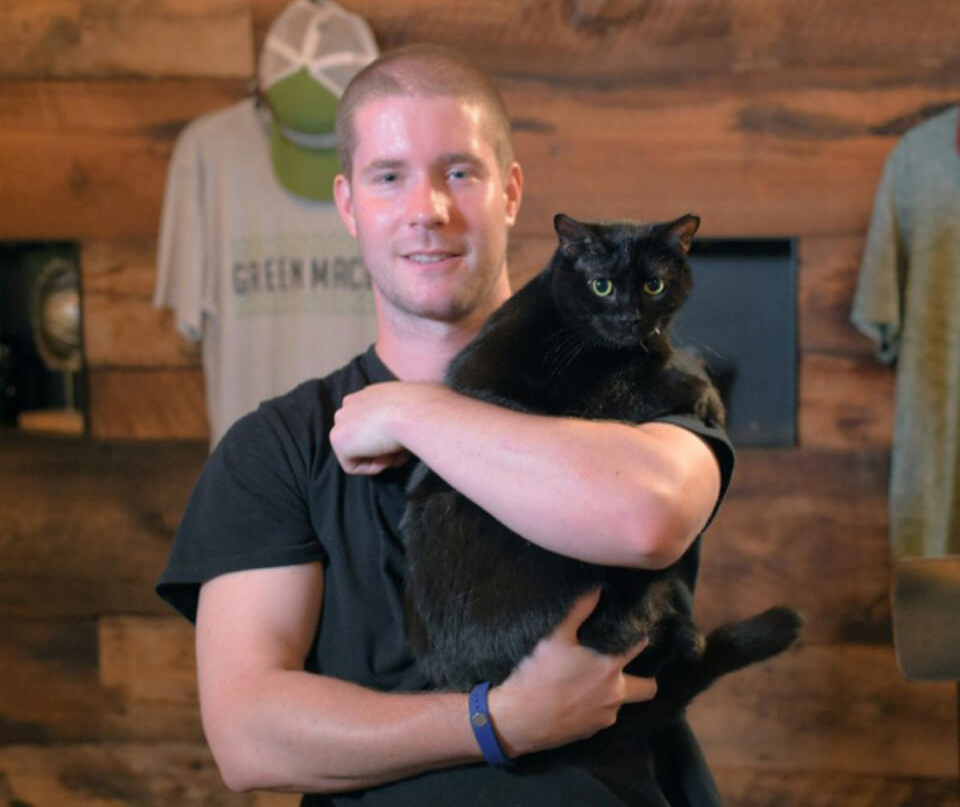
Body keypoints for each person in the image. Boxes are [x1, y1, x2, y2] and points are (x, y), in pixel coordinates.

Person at [155, 43, 735, 806]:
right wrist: (496, 723)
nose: (428, 210)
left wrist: (412, 409)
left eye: (460, 172)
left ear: (511, 192)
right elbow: (248, 736)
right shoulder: (279, 448)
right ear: (348, 203)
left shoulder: (649, 382)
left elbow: (650, 515)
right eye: (388, 177)